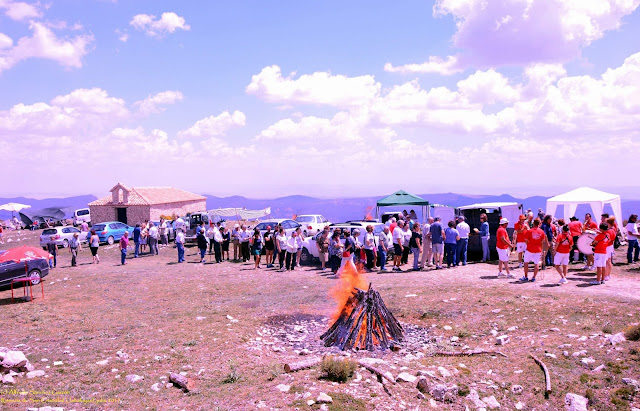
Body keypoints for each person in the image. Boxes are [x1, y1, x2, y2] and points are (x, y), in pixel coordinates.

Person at [604, 216, 617, 281]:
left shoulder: (609, 231)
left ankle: (606, 275)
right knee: (609, 261)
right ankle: (608, 275)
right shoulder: (613, 229)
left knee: (606, 261)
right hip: (610, 246)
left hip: (607, 246)